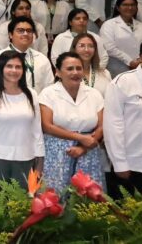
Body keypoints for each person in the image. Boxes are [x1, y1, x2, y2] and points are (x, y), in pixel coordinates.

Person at [0, 51, 44, 188]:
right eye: (9, 66)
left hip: (25, 158)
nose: (14, 70)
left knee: (22, 200)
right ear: (1, 68)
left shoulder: (31, 94)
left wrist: (39, 164)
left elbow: (36, 130)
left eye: (18, 67)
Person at [39, 52, 105, 194]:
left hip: (88, 151)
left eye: (78, 68)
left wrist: (84, 147)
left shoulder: (94, 94)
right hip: (57, 152)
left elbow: (101, 126)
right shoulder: (48, 93)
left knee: (88, 199)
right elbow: (47, 126)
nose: (75, 72)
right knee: (55, 197)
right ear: (58, 72)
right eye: (69, 69)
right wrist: (80, 138)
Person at [104, 38, 142, 193]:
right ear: (141, 57)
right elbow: (112, 125)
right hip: (133, 167)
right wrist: (119, 163)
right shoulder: (123, 82)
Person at [0, 16, 54, 94]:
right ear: (10, 35)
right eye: (20, 31)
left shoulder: (42, 59)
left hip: (36, 101)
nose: (25, 34)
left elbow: (49, 89)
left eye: (29, 31)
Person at [100, 0, 142, 77]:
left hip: (141, 65)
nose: (129, 8)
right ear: (118, 8)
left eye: (132, 5)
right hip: (117, 66)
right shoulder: (109, 25)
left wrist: (140, 60)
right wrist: (129, 61)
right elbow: (109, 48)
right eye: (125, 5)